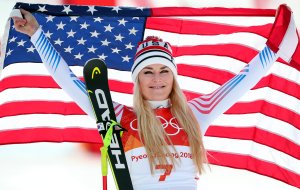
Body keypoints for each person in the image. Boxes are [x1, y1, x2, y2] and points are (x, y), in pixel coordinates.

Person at [13, 4, 298, 190]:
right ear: (137, 79)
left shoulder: (196, 113)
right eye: (148, 72)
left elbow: (242, 81)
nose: (158, 78)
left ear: (174, 76)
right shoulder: (118, 116)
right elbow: (70, 81)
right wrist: (37, 35)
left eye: (164, 70)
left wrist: (273, 49)